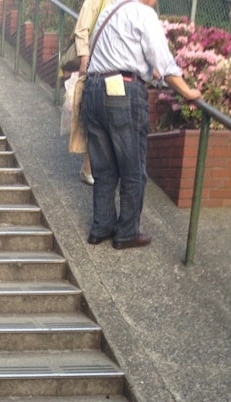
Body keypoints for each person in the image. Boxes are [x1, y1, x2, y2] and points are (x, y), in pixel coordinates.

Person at [81, 0, 201, 249]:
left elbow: (117, 54)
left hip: (92, 90)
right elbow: (164, 63)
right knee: (133, 167)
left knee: (103, 169)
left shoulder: (110, 11)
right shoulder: (143, 13)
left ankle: (100, 227)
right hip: (122, 93)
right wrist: (186, 91)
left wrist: (148, 73)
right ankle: (126, 233)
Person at [72, 0, 115, 184]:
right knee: (94, 116)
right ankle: (89, 166)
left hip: (118, 67)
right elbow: (82, 28)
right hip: (96, 65)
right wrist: (84, 58)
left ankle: (100, 167)